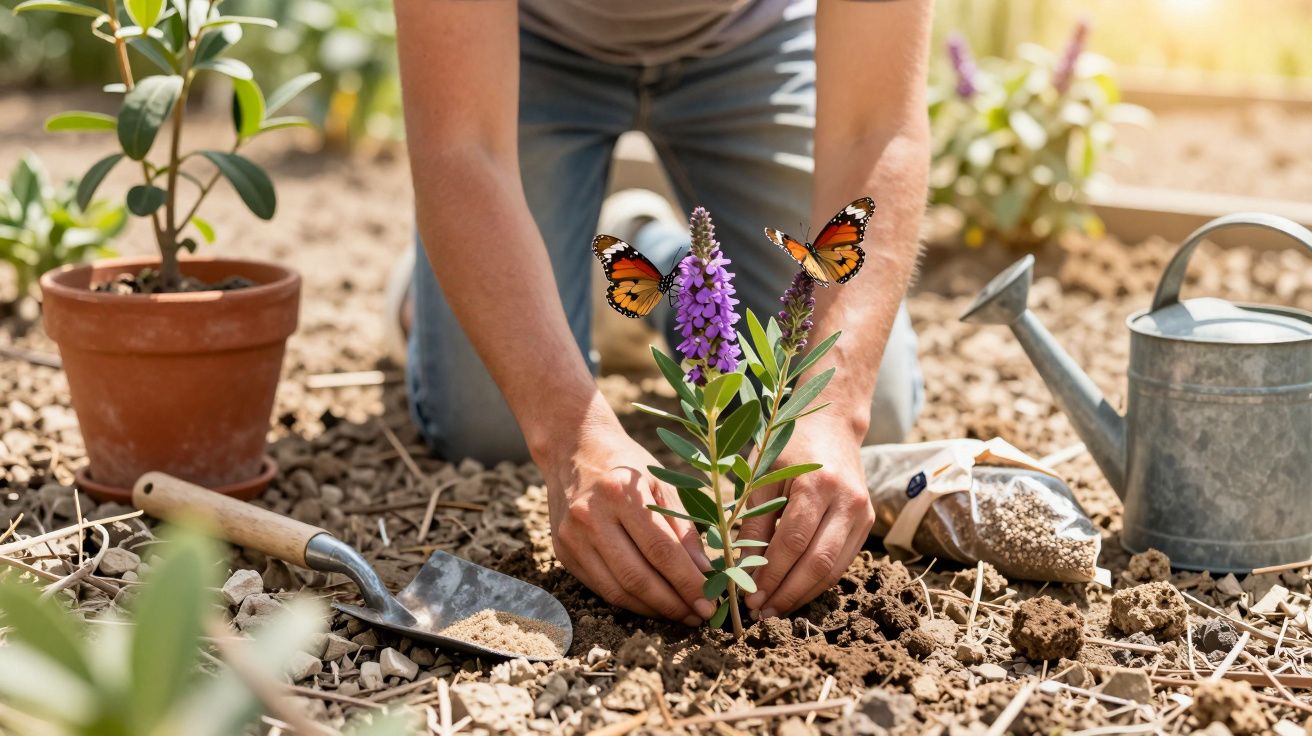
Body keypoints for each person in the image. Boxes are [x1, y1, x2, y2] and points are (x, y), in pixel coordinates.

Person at [391, 0, 931, 627]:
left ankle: (648, 258)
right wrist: (567, 437)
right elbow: (461, 145)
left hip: (751, 41)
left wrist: (835, 410)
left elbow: (877, 126)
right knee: (488, 429)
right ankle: (431, 288)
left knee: (865, 411)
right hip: (524, 45)